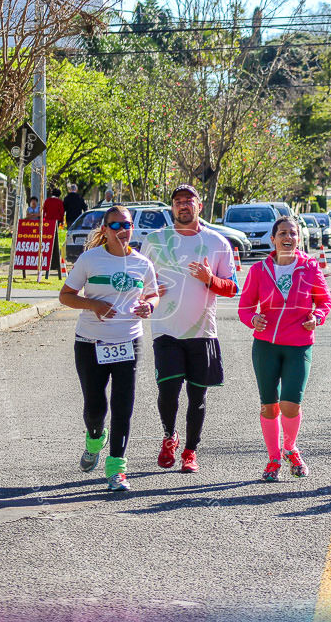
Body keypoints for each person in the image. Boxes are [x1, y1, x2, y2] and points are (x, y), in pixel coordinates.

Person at [59, 206, 159, 491]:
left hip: (128, 341)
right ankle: (94, 438)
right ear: (104, 230)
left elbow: (152, 294)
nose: (122, 231)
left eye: (126, 225)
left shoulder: (142, 263)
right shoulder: (91, 260)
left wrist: (149, 305)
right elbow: (65, 296)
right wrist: (93, 304)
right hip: (90, 342)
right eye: (115, 226)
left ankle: (116, 468)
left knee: (123, 405)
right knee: (94, 406)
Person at [141, 185, 239, 474]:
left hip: (202, 332)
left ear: (200, 205)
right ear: (172, 208)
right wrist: (148, 290)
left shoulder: (218, 242)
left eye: (189, 201)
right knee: (168, 391)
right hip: (166, 330)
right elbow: (140, 278)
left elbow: (232, 287)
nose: (183, 205)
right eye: (178, 201)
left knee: (197, 397)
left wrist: (210, 279)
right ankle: (170, 436)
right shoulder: (155, 241)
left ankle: (190, 452)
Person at [238, 216, 331, 481]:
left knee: (290, 406)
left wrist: (317, 317)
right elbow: (245, 307)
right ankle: (273, 458)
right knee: (269, 407)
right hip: (265, 346)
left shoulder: (310, 268)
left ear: (299, 239)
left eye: (292, 233)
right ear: (273, 239)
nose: (287, 237)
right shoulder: (259, 270)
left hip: (298, 346)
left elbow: (324, 301)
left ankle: (290, 447)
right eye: (282, 233)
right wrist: (253, 319)